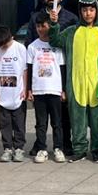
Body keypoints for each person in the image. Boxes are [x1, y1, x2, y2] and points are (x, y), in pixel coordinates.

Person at [52, 0, 98, 162]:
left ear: (96, 11)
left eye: (91, 10)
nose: (88, 13)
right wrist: (54, 24)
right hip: (76, 83)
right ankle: (79, 148)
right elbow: (55, 40)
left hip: (97, 84)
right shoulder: (71, 32)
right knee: (77, 120)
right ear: (80, 11)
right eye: (84, 10)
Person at [27, 11, 68, 163]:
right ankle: (42, 149)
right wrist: (29, 90)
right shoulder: (32, 47)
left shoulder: (57, 46)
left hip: (55, 89)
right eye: (37, 26)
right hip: (39, 90)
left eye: (43, 26)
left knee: (57, 122)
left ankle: (58, 148)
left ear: (50, 26)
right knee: (41, 123)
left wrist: (63, 90)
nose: (40, 29)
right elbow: (29, 69)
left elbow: (62, 68)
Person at [0, 26, 29, 162]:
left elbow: (25, 70)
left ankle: (19, 148)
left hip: (17, 92)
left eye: (5, 45)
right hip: (2, 93)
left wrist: (25, 88)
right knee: (4, 123)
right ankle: (7, 148)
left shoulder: (20, 48)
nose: (3, 48)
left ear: (11, 38)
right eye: (0, 46)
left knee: (19, 123)